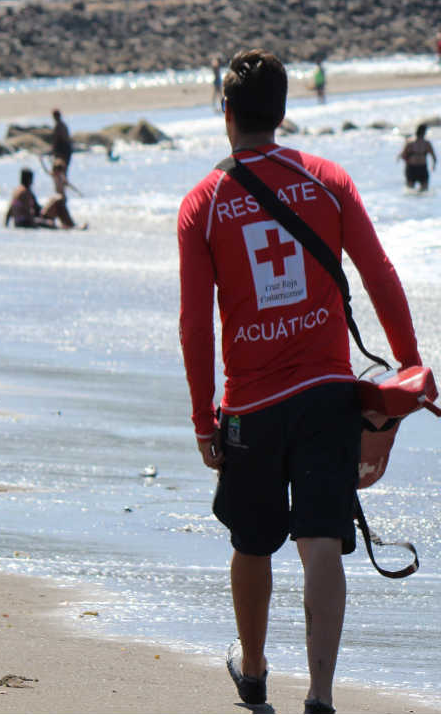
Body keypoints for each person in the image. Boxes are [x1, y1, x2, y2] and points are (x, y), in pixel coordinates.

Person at [178, 49, 423, 714]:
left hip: (251, 403)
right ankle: (319, 696)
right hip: (325, 394)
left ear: (226, 114)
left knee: (251, 542)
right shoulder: (327, 180)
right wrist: (410, 366)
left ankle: (254, 672)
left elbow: (195, 326)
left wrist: (204, 419)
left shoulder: (203, 203)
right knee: (321, 542)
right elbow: (380, 275)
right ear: (282, 112)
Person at [40, 158, 79, 228]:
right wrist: (42, 162)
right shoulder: (55, 175)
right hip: (58, 196)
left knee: (61, 211)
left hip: (61, 196)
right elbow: (46, 171)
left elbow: (68, 184)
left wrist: (77, 191)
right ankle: (67, 225)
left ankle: (68, 224)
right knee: (60, 211)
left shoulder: (61, 176)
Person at [398, 123, 437, 190]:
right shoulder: (410, 142)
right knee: (410, 190)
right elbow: (403, 155)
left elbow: (433, 156)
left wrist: (433, 165)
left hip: (422, 168)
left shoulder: (427, 143)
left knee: (424, 190)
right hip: (411, 168)